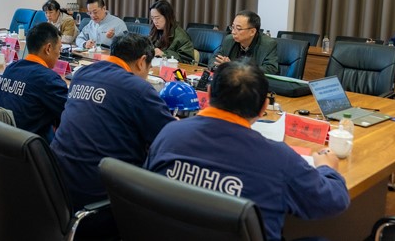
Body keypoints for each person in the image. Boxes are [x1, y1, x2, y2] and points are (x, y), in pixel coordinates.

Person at [145, 60, 349, 241]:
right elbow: (332, 201)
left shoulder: (169, 134)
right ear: (264, 107)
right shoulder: (278, 159)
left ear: (208, 93)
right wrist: (327, 168)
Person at [50, 34, 176, 235]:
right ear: (142, 61)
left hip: (56, 187)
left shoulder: (81, 74)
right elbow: (171, 138)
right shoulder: (138, 88)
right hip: (99, 198)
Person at [0, 22, 67, 141]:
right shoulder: (48, 79)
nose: (59, 54)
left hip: (3, 141)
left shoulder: (10, 69)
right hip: (32, 146)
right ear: (48, 48)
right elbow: (70, 114)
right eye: (59, 49)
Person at [211, 10, 278, 74]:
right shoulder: (229, 40)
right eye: (233, 27)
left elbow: (271, 69)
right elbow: (214, 58)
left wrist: (234, 67)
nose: (233, 32)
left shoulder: (268, 44)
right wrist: (219, 66)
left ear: (252, 31)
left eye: (239, 29)